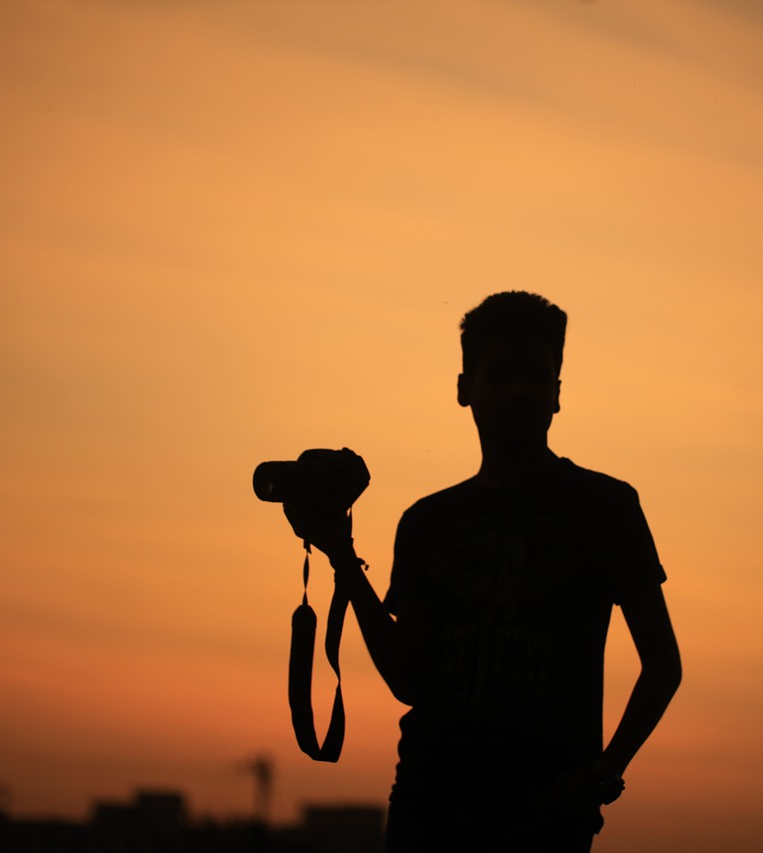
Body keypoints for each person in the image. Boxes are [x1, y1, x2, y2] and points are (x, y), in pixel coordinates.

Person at [292, 292, 681, 852]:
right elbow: (410, 680)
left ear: (557, 395)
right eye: (500, 376)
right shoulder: (426, 521)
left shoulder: (605, 507)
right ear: (464, 389)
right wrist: (341, 557)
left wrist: (602, 774)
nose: (518, 392)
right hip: (429, 808)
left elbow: (663, 664)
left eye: (535, 378)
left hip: (542, 817)